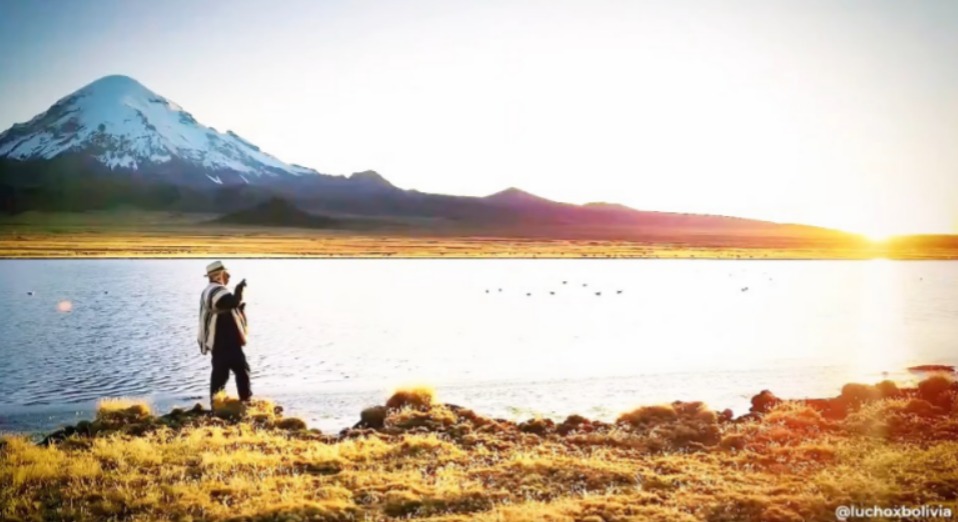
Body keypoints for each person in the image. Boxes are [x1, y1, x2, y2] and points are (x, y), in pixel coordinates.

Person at [197, 260, 251, 408]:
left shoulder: (209, 290)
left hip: (218, 341)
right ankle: (245, 402)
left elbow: (225, 307)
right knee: (242, 370)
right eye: (226, 274)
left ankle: (216, 405)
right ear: (219, 275)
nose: (228, 276)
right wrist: (239, 290)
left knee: (220, 374)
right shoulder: (217, 291)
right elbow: (231, 303)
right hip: (226, 341)